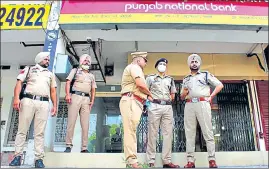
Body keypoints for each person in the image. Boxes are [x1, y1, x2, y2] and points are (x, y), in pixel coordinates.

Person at [9, 52, 57, 168]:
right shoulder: (29, 69)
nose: (48, 61)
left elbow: (53, 91)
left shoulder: (50, 74)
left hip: (44, 103)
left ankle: (38, 159)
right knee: (22, 129)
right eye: (46, 59)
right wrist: (16, 98)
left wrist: (55, 105)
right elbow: (19, 83)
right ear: (40, 59)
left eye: (48, 60)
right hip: (28, 100)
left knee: (40, 132)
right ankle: (17, 156)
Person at [180, 54, 224, 168]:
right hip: (189, 104)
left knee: (207, 131)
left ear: (199, 63)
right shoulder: (186, 78)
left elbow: (219, 85)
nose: (194, 63)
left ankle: (212, 159)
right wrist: (184, 92)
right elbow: (181, 97)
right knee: (189, 133)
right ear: (189, 64)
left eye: (196, 61)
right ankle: (190, 161)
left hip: (203, 103)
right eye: (192, 61)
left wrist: (211, 97)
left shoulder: (205, 74)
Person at [119, 51, 153, 168]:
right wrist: (150, 95)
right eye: (145, 60)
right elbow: (140, 85)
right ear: (138, 60)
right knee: (130, 130)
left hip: (136, 101)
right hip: (130, 100)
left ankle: (132, 160)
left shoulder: (137, 69)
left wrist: (144, 100)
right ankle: (132, 161)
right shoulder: (135, 67)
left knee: (132, 130)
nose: (145, 63)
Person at [145, 58, 179, 168]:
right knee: (152, 133)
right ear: (156, 66)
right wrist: (150, 100)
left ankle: (167, 161)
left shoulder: (170, 79)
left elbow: (173, 93)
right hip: (154, 105)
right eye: (160, 64)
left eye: (164, 64)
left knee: (168, 133)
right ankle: (151, 160)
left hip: (167, 107)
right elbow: (145, 91)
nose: (162, 65)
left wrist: (169, 100)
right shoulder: (150, 78)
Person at [64, 54, 97, 153]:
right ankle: (68, 145)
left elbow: (93, 89)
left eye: (88, 61)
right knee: (71, 122)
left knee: (85, 124)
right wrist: (67, 94)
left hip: (86, 99)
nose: (86, 62)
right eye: (84, 60)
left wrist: (92, 100)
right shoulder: (75, 71)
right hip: (75, 97)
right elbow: (68, 82)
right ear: (81, 61)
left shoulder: (91, 75)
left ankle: (84, 147)